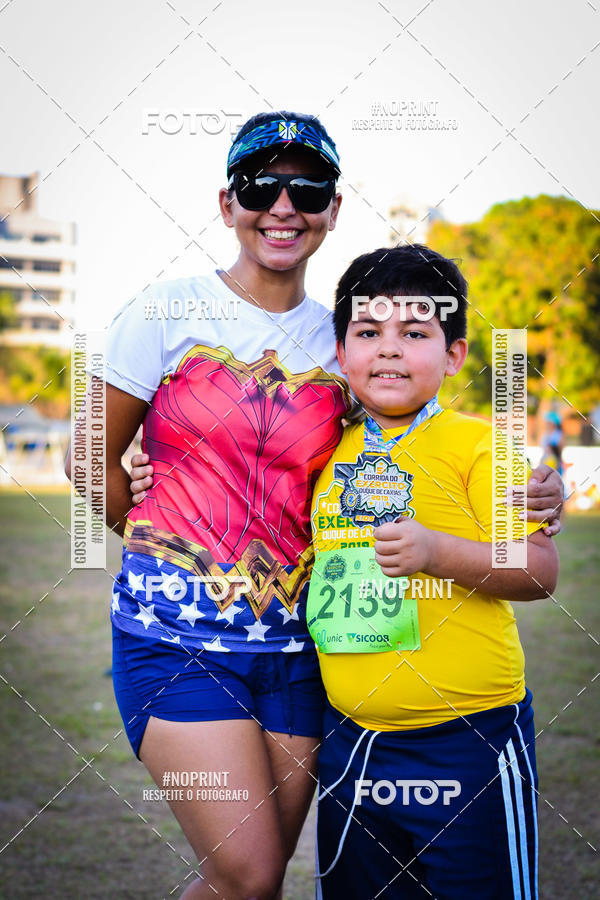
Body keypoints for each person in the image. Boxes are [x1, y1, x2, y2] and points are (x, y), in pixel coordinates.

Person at [113, 111, 562, 899]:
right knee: (248, 874)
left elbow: (421, 460)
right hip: (188, 644)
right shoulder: (166, 308)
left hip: (309, 660)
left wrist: (532, 491)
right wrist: (147, 519)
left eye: (308, 187)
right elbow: (91, 446)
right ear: (228, 203)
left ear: (332, 207)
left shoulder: (349, 345)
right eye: (262, 185)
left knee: (256, 882)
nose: (283, 204)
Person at [308, 245, 559, 899]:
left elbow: (538, 569)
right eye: (367, 332)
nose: (388, 350)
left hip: (466, 742)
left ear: (454, 355)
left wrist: (436, 553)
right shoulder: (326, 447)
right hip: (349, 744)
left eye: (414, 333)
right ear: (341, 351)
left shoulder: (483, 445)